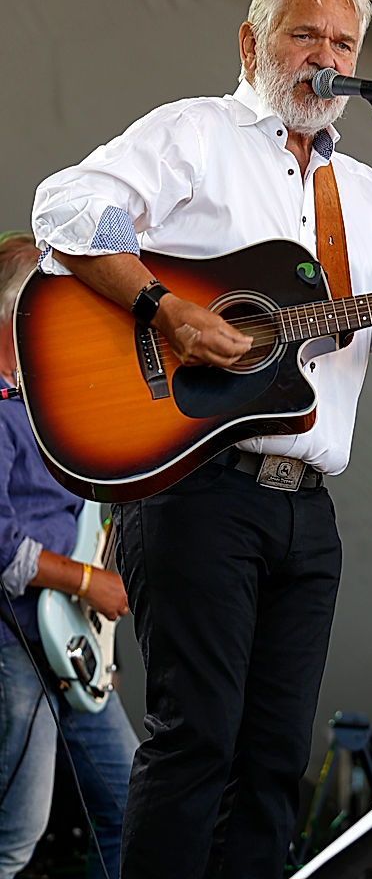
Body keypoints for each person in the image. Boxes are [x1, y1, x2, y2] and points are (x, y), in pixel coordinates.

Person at [30, 0, 372, 878]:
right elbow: (67, 207)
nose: (326, 54)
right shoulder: (193, 133)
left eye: (343, 41)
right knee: (198, 740)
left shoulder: (365, 194)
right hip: (195, 486)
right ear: (251, 42)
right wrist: (167, 311)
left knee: (273, 760)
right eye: (305, 32)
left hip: (305, 509)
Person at [0, 233, 138, 878]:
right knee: (15, 834)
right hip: (18, 642)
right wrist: (89, 580)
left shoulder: (49, 406)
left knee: (132, 808)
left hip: (70, 643)